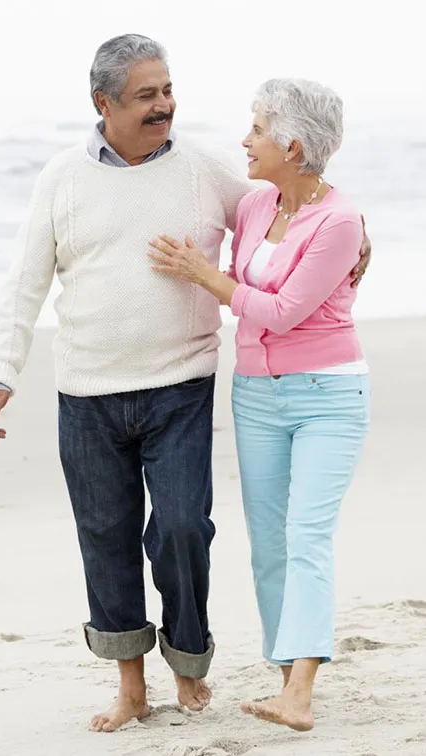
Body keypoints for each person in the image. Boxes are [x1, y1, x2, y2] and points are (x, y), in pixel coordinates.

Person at [0, 35, 369, 733]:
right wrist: (0, 371)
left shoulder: (204, 171)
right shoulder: (62, 178)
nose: (166, 106)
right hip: (88, 390)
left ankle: (189, 660)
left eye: (167, 89)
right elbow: (24, 282)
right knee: (107, 536)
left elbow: (294, 203)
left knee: (184, 528)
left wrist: (358, 236)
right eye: (147, 95)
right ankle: (132, 687)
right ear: (104, 102)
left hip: (181, 385)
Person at [149, 77, 371, 733]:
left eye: (256, 129)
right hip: (256, 398)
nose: (245, 141)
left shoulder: (339, 222)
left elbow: (279, 312)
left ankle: (300, 692)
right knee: (269, 547)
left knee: (306, 537)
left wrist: (205, 277)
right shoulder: (254, 206)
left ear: (292, 144)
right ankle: (286, 681)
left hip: (329, 396)